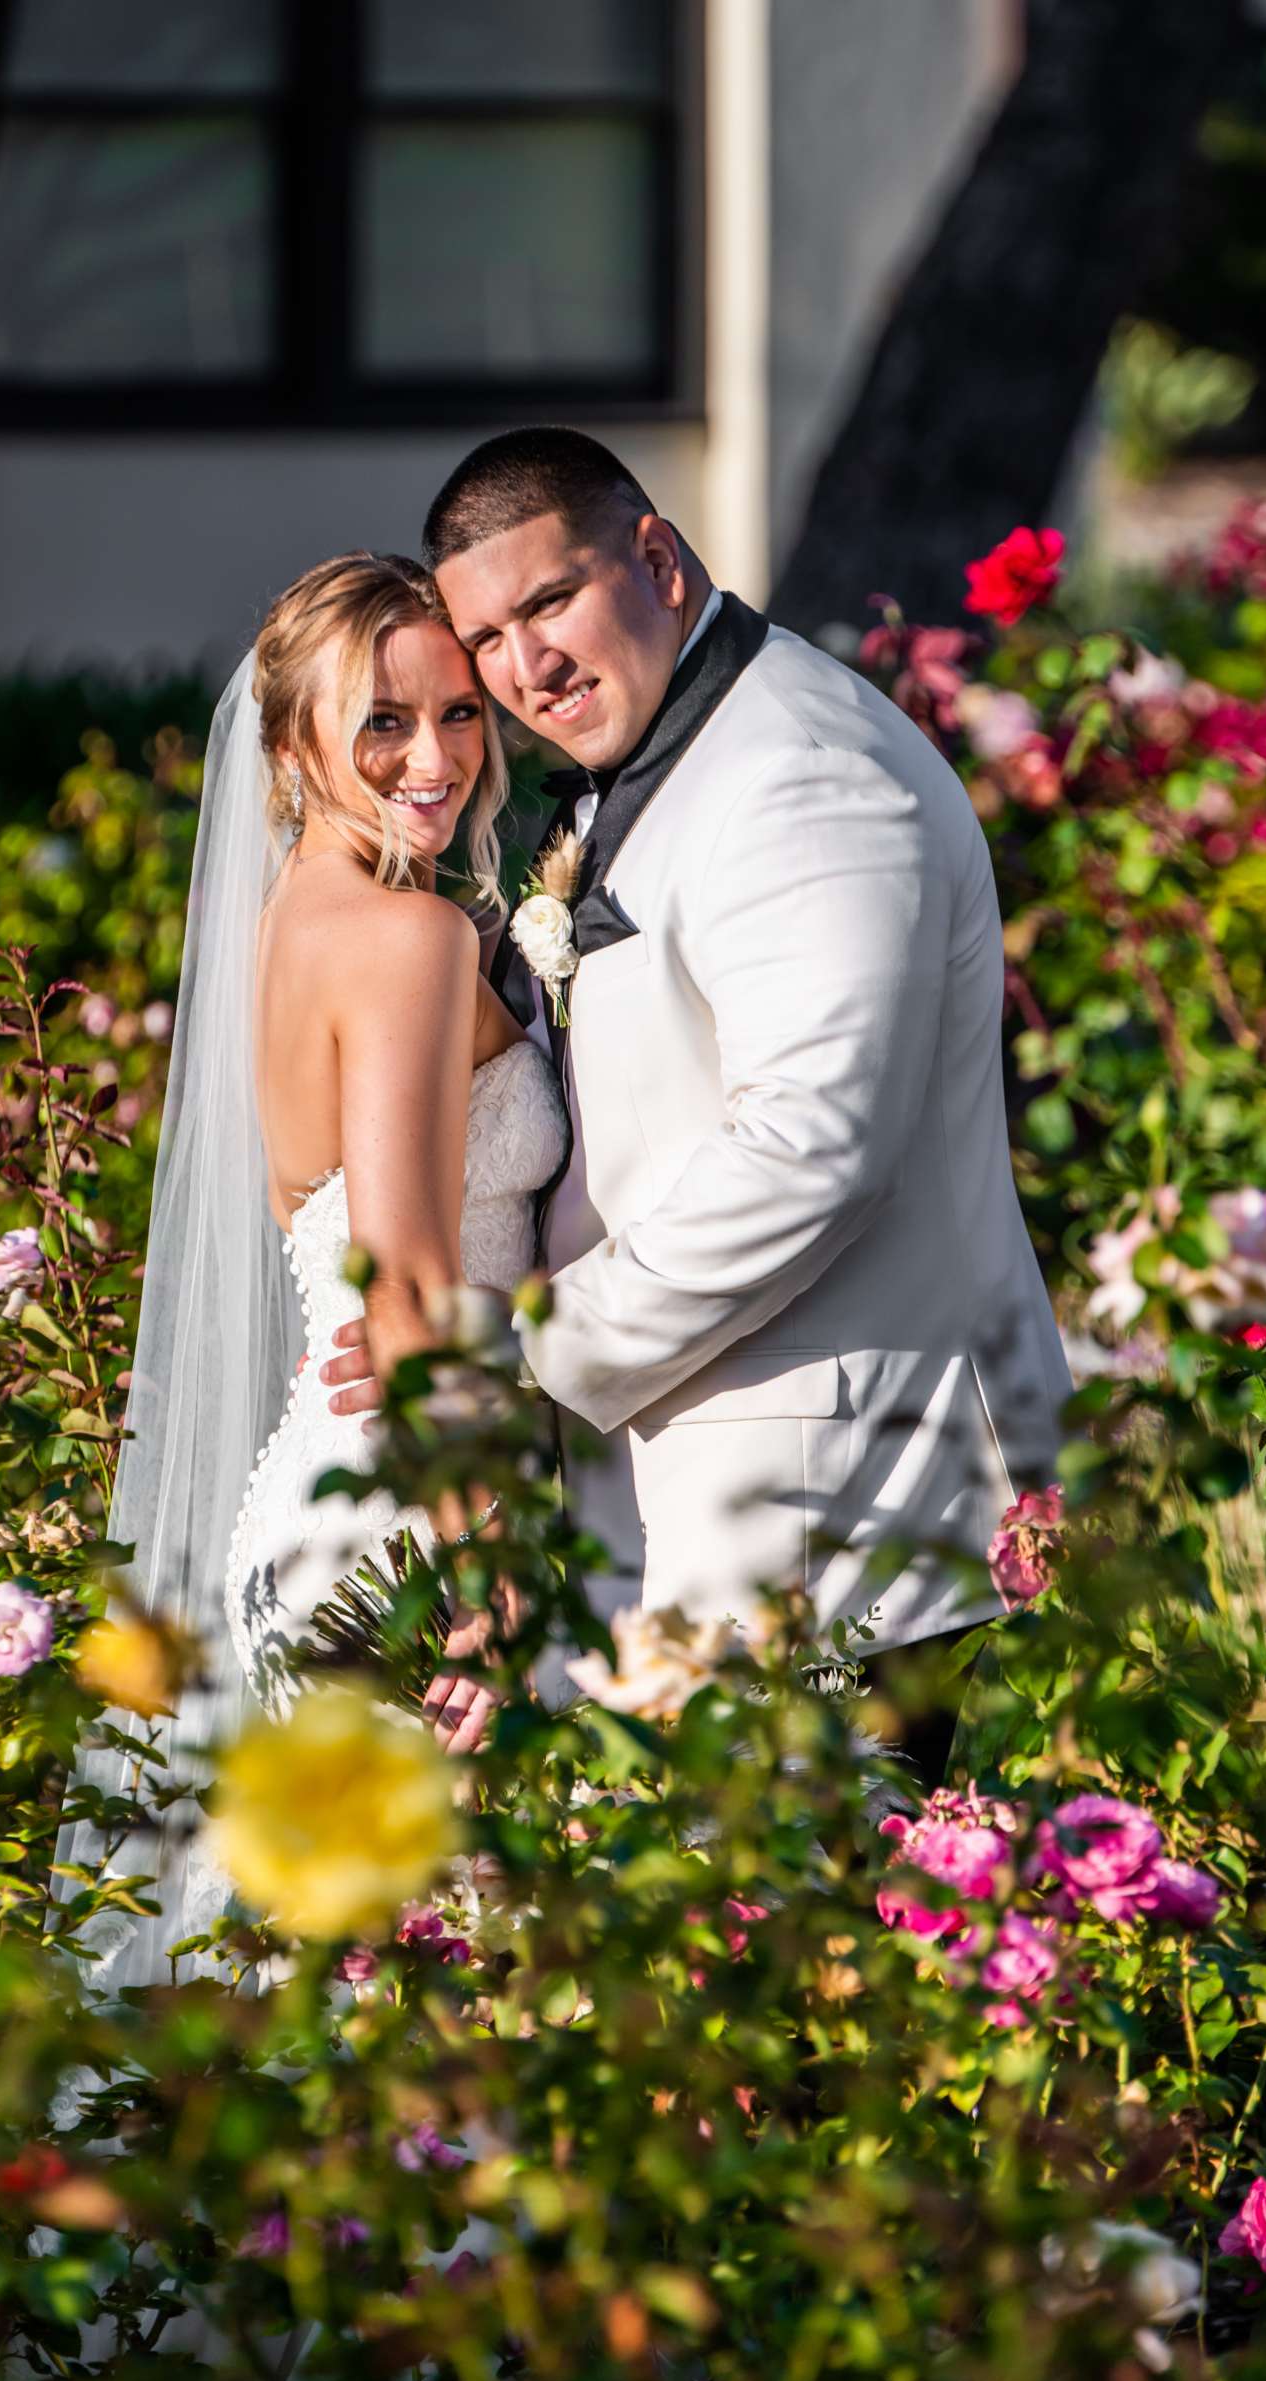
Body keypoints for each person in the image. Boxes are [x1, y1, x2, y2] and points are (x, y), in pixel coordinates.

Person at [324, 429, 1072, 1782]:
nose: (525, 667)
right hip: (711, 1522)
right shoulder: (665, 757)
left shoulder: (805, 772)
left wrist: (514, 1350)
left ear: (657, 557)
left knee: (818, 1969)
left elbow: (814, 1150)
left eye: (550, 601)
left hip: (831, 1528)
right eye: (485, 637)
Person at [60, 553, 566, 1998]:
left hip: (341, 1478)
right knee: (424, 2015)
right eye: (385, 723)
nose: (438, 758)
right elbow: (403, 1280)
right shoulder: (406, 938)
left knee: (338, 2006)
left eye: (461, 714)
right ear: (292, 746)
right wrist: (484, 1588)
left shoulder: (294, 921)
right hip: (410, 1522)